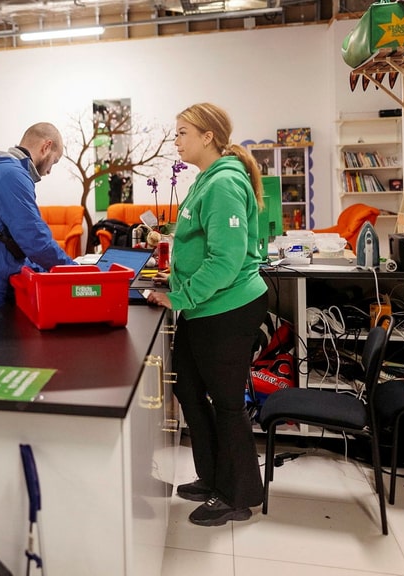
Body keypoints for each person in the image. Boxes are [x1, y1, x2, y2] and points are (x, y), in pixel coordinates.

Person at [145, 103, 268, 526]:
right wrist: (174, 256)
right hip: (205, 306)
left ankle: (237, 496)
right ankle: (213, 477)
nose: (176, 140)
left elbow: (226, 260)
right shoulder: (205, 179)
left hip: (227, 306)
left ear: (208, 136)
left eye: (183, 132)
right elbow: (201, 238)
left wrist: (180, 296)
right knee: (188, 389)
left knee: (228, 403)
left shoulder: (223, 183)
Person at [0, 122, 77, 327]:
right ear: (46, 147)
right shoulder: (11, 175)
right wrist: (75, 272)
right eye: (54, 161)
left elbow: (12, 242)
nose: (49, 171)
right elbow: (35, 241)